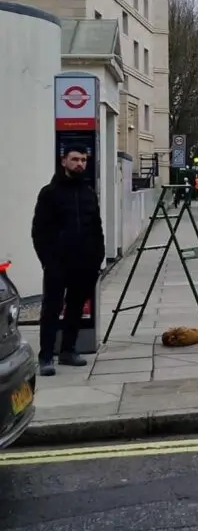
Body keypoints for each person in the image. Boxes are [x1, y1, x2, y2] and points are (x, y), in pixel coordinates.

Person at [31, 144, 105, 376]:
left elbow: (97, 228)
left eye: (83, 160)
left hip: (84, 263)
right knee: (51, 308)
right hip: (57, 263)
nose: (80, 164)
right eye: (75, 159)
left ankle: (68, 350)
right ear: (64, 161)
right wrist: (47, 261)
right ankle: (46, 356)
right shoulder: (49, 193)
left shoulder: (88, 192)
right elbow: (39, 231)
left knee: (75, 308)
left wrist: (97, 259)